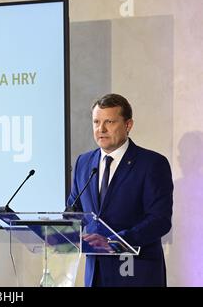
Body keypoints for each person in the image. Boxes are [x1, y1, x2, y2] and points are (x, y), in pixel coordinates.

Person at [66, 93, 173, 287]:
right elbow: (74, 211)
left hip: (136, 272)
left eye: (110, 122)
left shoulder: (152, 164)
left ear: (128, 125)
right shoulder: (83, 162)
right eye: (96, 122)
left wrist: (114, 241)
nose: (101, 129)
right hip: (96, 274)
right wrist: (57, 228)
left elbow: (160, 220)